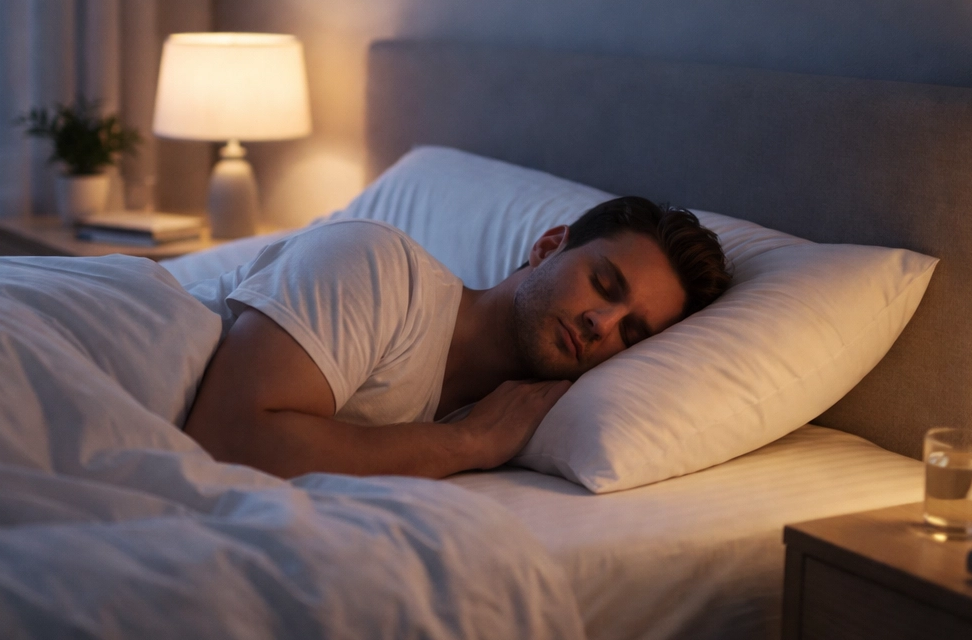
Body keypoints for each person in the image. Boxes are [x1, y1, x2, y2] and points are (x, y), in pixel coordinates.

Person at [182, 197, 730, 480]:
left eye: (631, 333)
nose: (602, 323)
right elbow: (225, 440)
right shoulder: (381, 268)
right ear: (548, 246)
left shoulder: (503, 416)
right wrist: (469, 445)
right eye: (603, 283)